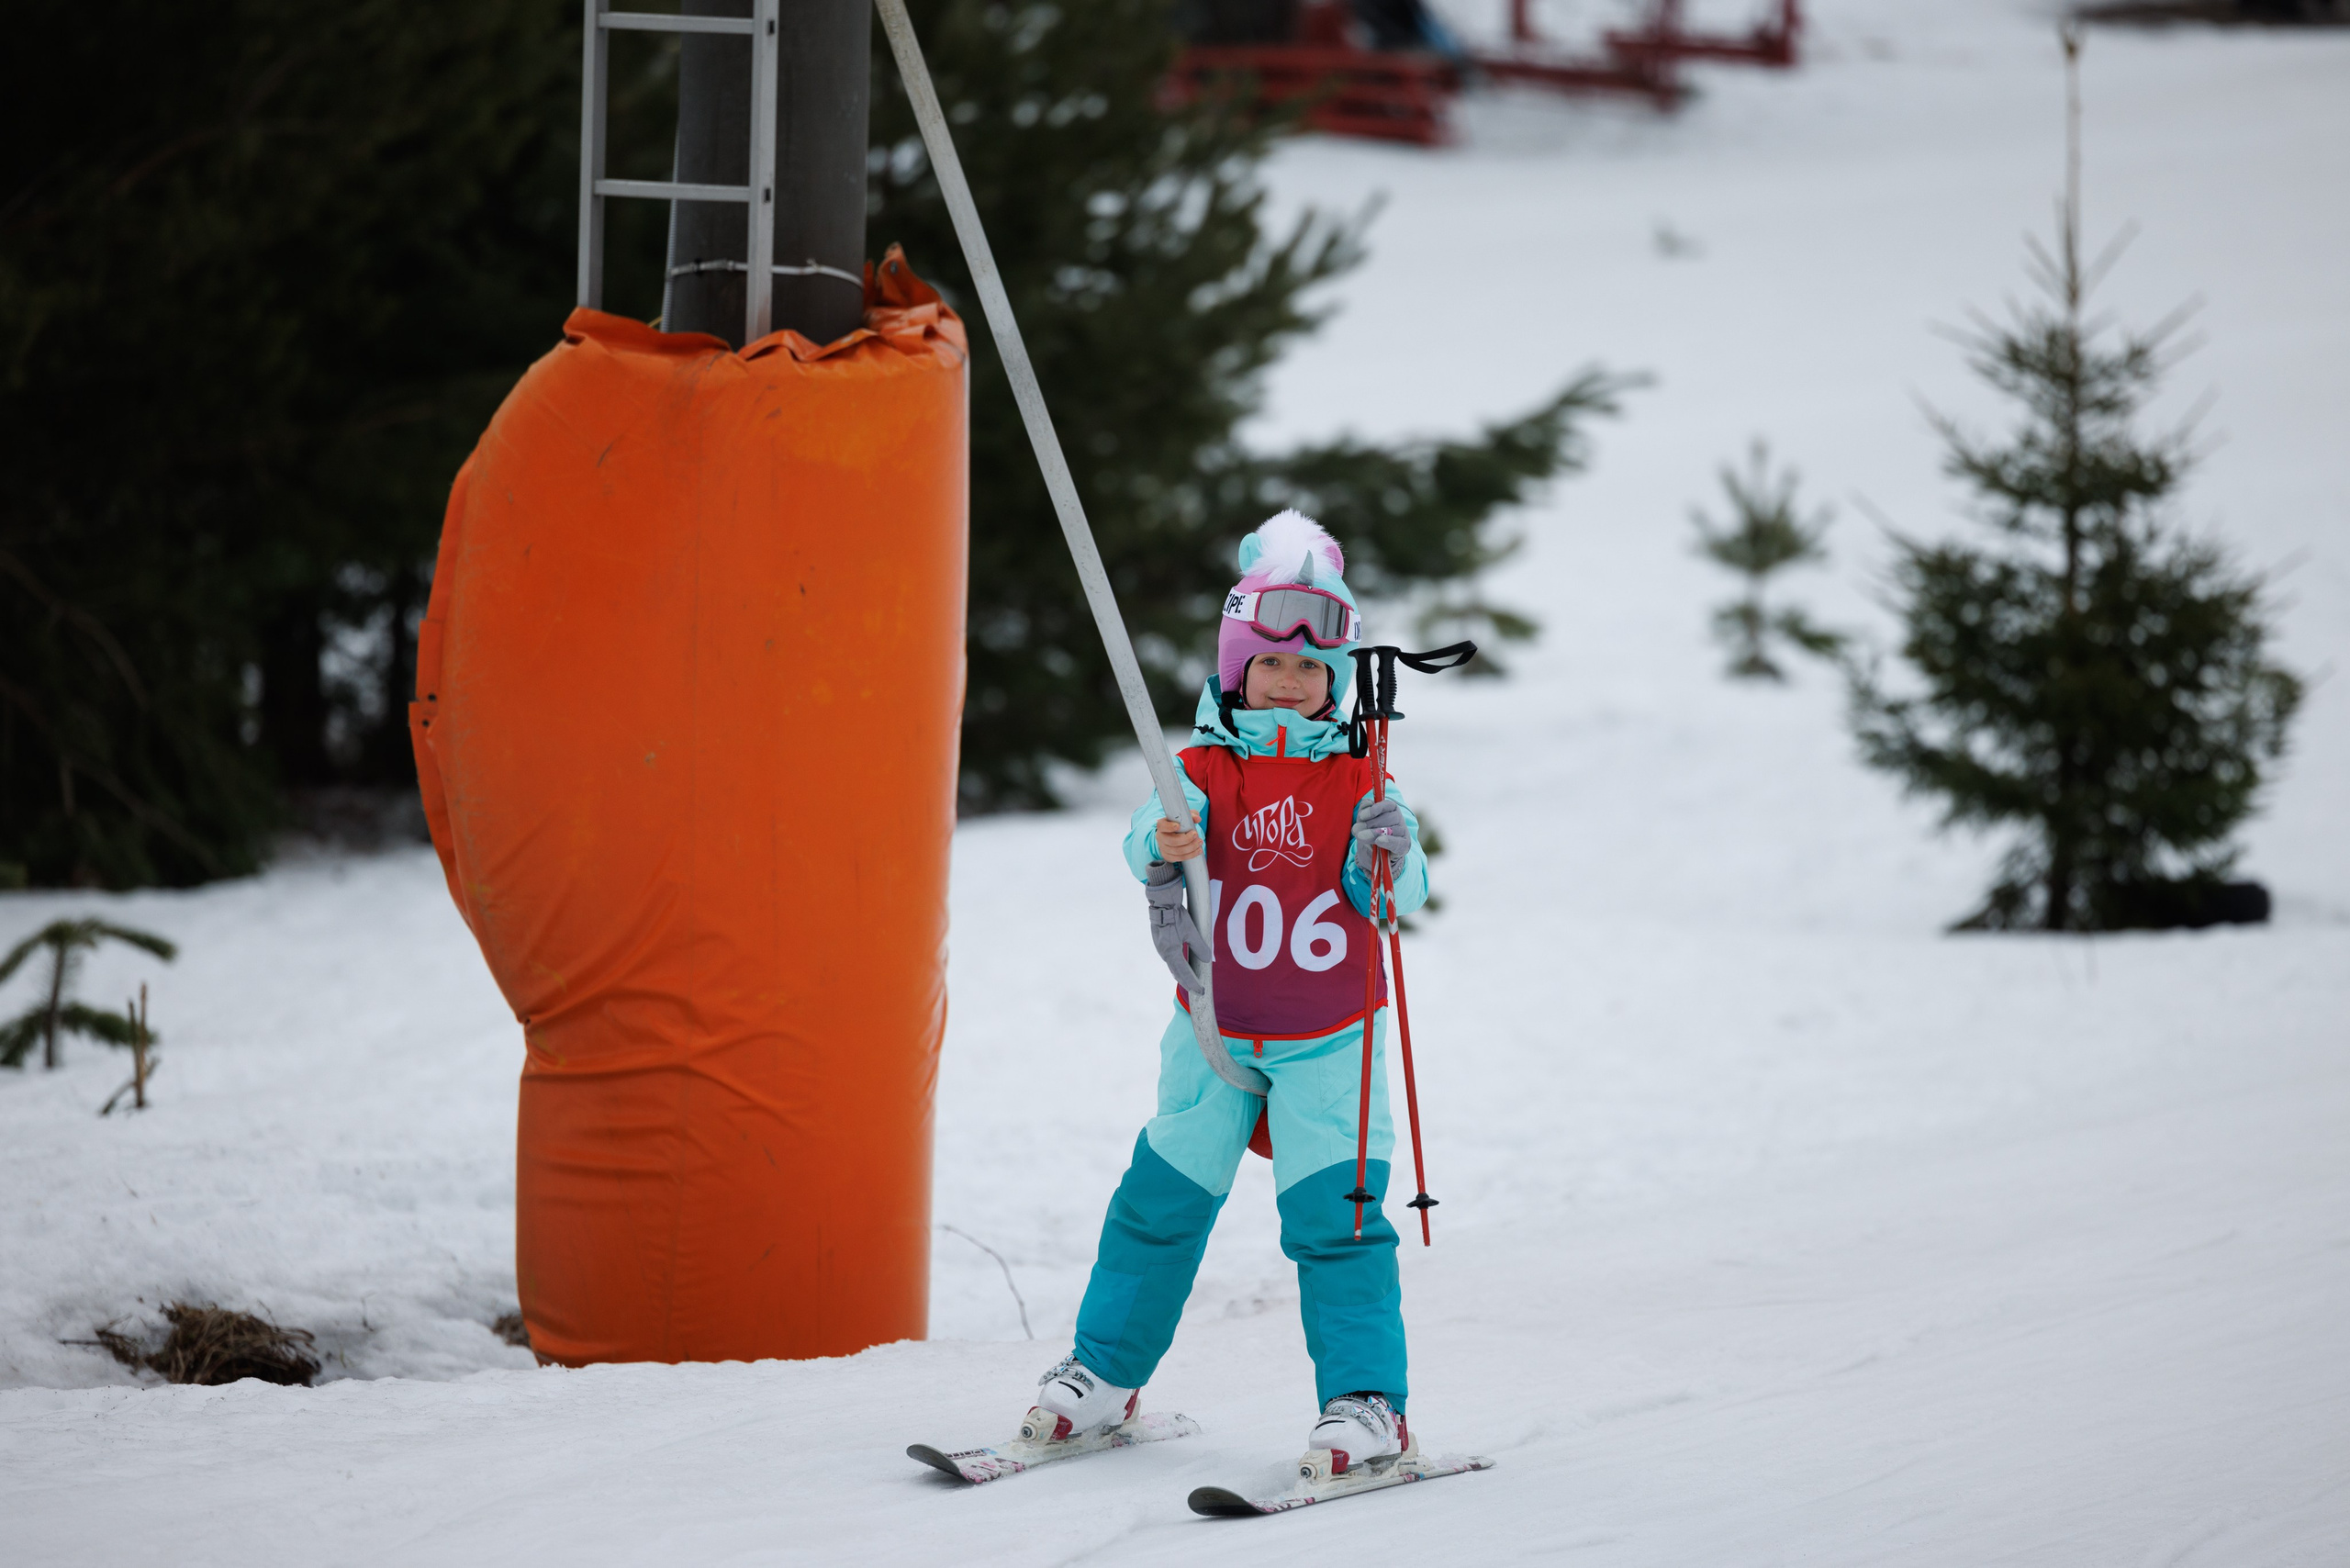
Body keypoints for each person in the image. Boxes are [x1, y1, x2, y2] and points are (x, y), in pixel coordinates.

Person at [1021, 510, 1430, 1476]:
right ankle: (1104, 1373)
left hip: (1332, 1039)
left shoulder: (1362, 774)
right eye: (1269, 665)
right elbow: (1144, 840)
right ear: (1235, 667)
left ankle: (1365, 1403)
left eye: (1309, 670)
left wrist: (1391, 848)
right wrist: (1159, 841)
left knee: (1339, 1221)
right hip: (1212, 1034)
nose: (1287, 684)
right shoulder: (1199, 768)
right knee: (1156, 1204)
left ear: (1334, 680)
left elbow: (1400, 898)